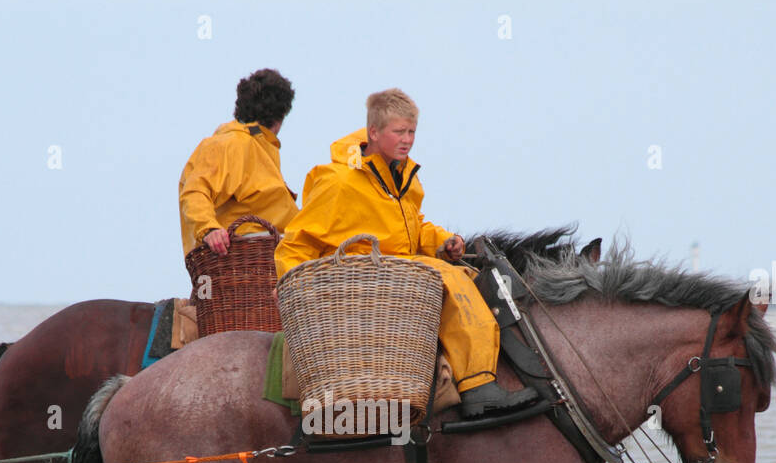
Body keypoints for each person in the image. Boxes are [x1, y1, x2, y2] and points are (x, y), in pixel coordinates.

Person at [275, 89, 537, 418]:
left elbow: (415, 228)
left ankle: (504, 370)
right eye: (399, 132)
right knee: (449, 280)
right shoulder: (339, 182)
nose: (408, 140)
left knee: (473, 276)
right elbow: (296, 242)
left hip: (401, 272)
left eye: (412, 132)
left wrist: (444, 241)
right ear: (374, 132)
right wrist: (292, 288)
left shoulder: (403, 178)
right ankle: (477, 387)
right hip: (363, 281)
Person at [178, 68, 299, 257]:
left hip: (279, 260)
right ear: (280, 117)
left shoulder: (259, 148)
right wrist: (209, 230)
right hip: (247, 260)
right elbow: (195, 192)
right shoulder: (231, 144)